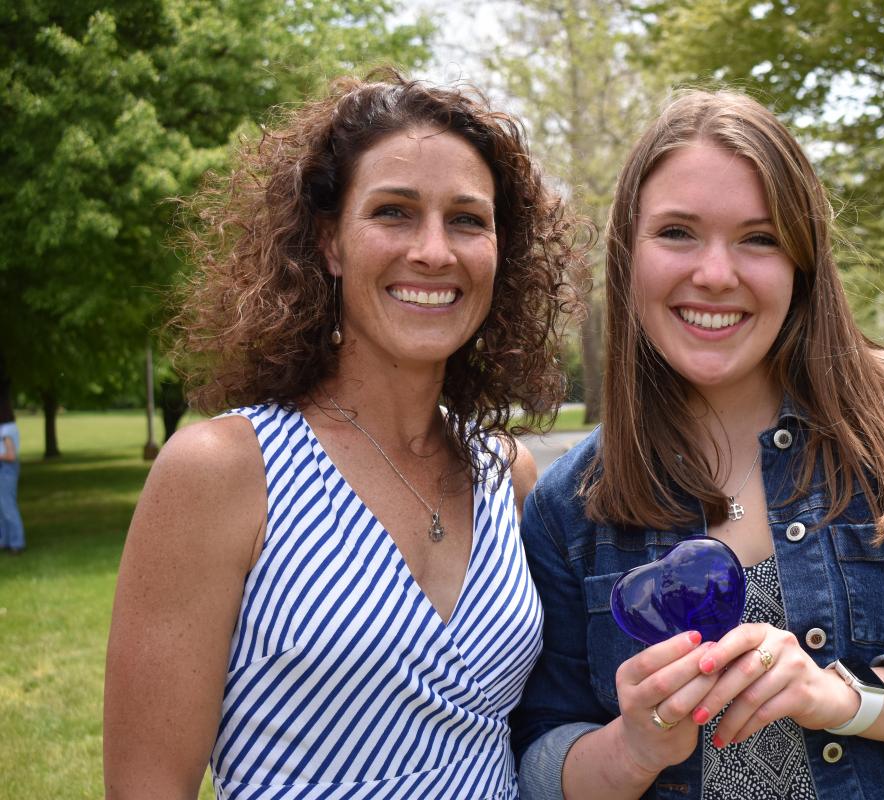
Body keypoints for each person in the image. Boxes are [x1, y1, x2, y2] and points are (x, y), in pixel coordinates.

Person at [510, 90, 884, 799]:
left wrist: (845, 698)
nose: (715, 273)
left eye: (760, 237)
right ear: (629, 255)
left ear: (802, 262)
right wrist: (633, 746)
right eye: (678, 232)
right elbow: (536, 750)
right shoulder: (571, 505)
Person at [104, 69, 585, 799]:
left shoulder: (506, 472)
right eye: (394, 212)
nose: (433, 251)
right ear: (329, 243)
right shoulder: (225, 471)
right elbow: (147, 787)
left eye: (467, 219)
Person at [0, 387, 25, 554]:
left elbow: (10, 455)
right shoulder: (5, 427)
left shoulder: (7, 429)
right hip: (4, 468)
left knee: (8, 506)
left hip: (6, 469)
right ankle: (5, 540)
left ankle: (17, 542)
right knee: (2, 507)